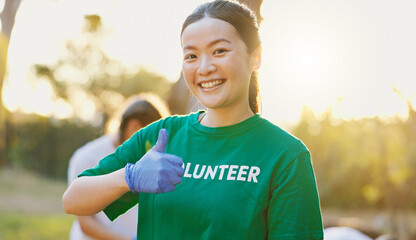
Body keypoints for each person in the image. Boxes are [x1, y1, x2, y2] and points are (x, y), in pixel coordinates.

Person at [63, 1, 324, 239]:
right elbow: (73, 200)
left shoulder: (286, 156)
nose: (204, 67)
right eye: (191, 56)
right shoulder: (161, 136)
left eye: (219, 51)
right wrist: (129, 178)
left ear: (255, 56)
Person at [67, 96, 168, 240]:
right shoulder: (87, 158)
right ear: (134, 127)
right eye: (152, 136)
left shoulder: (150, 159)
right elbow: (85, 222)